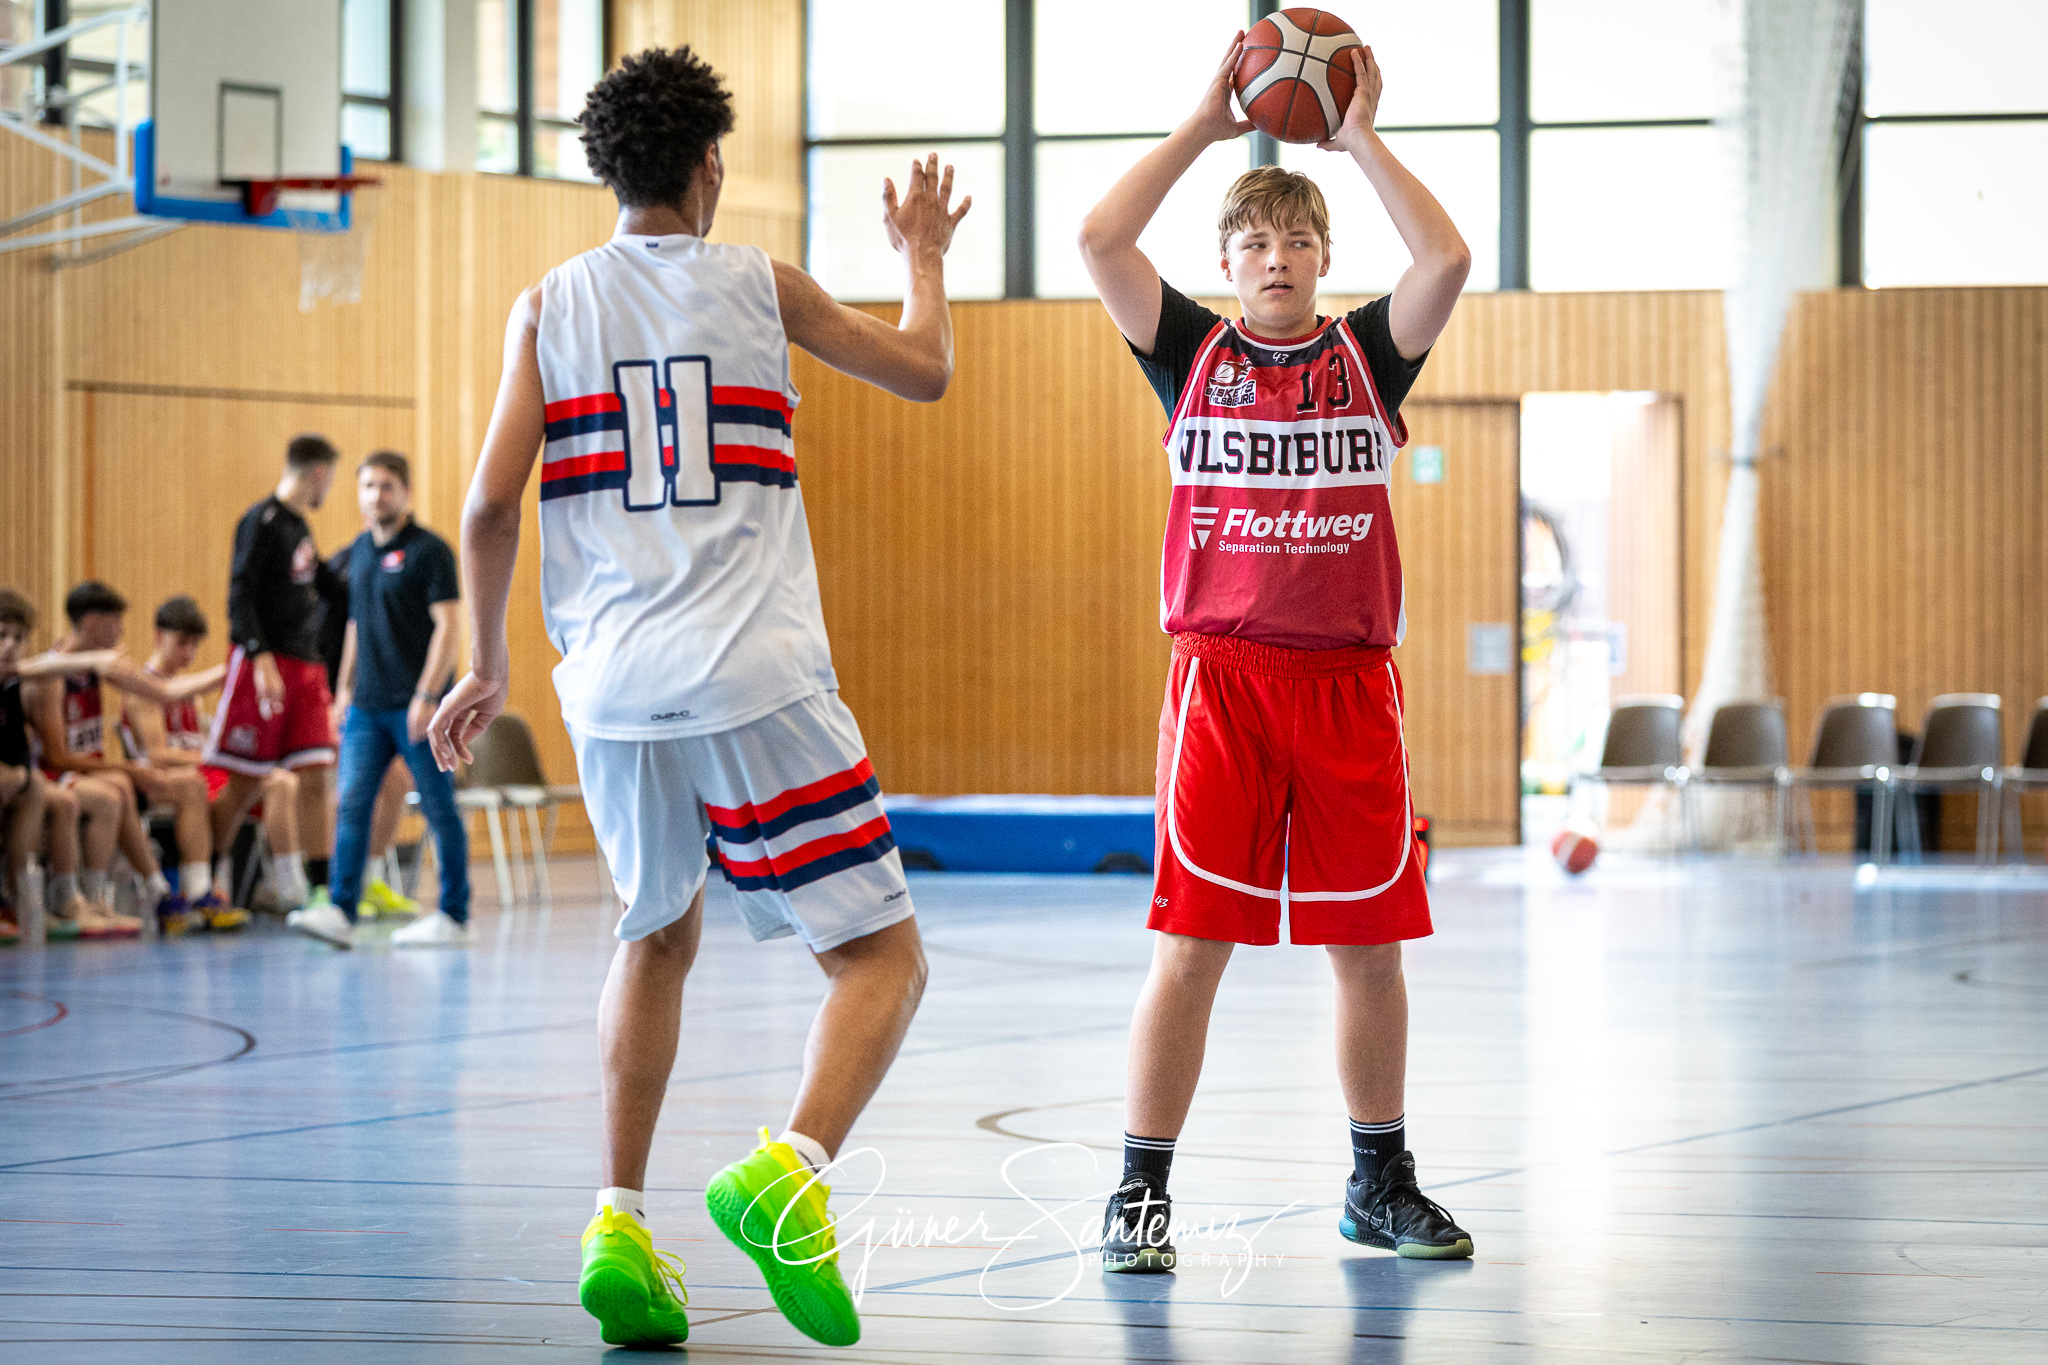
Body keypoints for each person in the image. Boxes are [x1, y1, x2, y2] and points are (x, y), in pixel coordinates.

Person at [427, 47, 966, 1348]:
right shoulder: (759, 283)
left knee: (654, 929)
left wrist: (485, 665)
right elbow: (924, 369)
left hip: (609, 690)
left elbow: (491, 501)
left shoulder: (546, 303)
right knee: (880, 960)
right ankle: (790, 1175)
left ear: (605, 169)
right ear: (711, 162)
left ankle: (617, 1219)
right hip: (756, 671)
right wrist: (926, 255)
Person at [1076, 37, 1474, 1268]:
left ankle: (1379, 1181)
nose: (1276, 259)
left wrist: (1353, 137)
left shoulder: (1368, 356)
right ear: (1225, 265)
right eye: (1253, 244)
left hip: (1349, 686)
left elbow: (1446, 257)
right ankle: (1138, 1197)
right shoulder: (1190, 354)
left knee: (1367, 946)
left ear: (1322, 258)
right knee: (1189, 946)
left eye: (1296, 242)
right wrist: (1202, 125)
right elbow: (1097, 241)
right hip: (1224, 686)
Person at [302, 449, 469, 947]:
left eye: (387, 485)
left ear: (406, 492)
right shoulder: (360, 551)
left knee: (439, 808)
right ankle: (340, 909)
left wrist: (427, 695)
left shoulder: (430, 551)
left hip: (415, 708)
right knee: (352, 803)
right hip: (367, 709)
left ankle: (454, 914)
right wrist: (343, 693)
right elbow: (356, 626)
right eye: (369, 486)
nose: (377, 494)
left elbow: (450, 625)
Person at [23, 581, 226, 936]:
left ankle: (190, 891)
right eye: (115, 621)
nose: (120, 630)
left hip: (89, 772)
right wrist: (126, 767)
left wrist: (229, 672)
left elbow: (163, 690)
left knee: (186, 785)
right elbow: (56, 757)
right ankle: (93, 897)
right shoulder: (51, 676)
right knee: (115, 788)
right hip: (55, 775)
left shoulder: (98, 667)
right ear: (93, 622)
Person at [206, 434, 345, 932]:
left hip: (307, 668)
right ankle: (207, 881)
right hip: (264, 664)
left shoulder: (299, 527)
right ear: (317, 473)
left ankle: (320, 894)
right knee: (244, 781)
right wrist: (259, 656)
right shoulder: (260, 520)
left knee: (316, 777)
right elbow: (239, 592)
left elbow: (327, 584)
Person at [120, 596, 283, 928]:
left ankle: (285, 886)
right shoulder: (142, 686)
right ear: (158, 636)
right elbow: (158, 754)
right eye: (182, 642)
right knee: (205, 785)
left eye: (194, 645)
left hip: (197, 774)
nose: (188, 653)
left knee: (276, 780)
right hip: (163, 780)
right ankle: (201, 886)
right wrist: (211, 757)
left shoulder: (189, 690)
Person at [317, 537, 417, 920]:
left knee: (395, 782)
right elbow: (334, 635)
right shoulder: (346, 564)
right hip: (333, 694)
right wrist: (335, 693)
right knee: (345, 789)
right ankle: (332, 885)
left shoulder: (411, 560)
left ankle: (370, 880)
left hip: (377, 696)